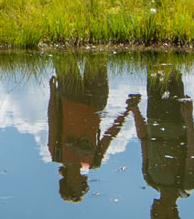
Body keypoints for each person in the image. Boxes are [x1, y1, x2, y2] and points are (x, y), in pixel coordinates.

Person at [47, 56, 134, 202]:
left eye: (76, 187)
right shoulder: (94, 162)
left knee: (64, 55)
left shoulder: (57, 155)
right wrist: (127, 111)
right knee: (97, 55)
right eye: (81, 187)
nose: (81, 184)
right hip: (96, 102)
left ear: (67, 183)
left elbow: (53, 121)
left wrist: (53, 94)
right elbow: (109, 136)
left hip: (70, 98)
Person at [128, 66, 194, 218]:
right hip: (176, 119)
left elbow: (144, 141)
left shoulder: (150, 179)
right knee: (173, 73)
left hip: (153, 115)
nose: (153, 214)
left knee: (152, 71)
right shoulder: (187, 185)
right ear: (172, 213)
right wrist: (188, 119)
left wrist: (135, 110)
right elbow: (192, 149)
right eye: (159, 216)